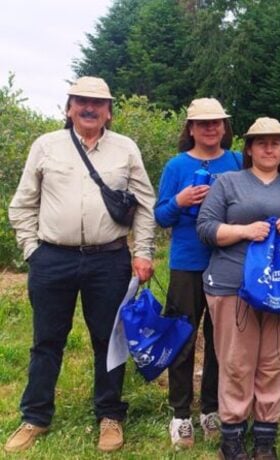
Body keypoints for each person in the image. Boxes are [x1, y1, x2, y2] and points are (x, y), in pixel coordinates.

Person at [5, 76, 155, 453]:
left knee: (108, 341)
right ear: (68, 106)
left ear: (109, 111)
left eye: (98, 103)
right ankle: (35, 416)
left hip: (109, 259)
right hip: (52, 258)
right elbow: (22, 204)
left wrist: (144, 252)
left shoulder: (126, 149)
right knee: (47, 341)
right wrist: (32, 251)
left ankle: (109, 415)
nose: (89, 108)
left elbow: (145, 204)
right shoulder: (46, 146)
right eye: (81, 101)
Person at [197, 117, 280, 460]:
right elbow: (206, 228)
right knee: (237, 361)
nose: (269, 148)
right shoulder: (228, 182)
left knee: (276, 362)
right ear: (249, 148)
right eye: (261, 142)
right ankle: (232, 435)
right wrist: (243, 231)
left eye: (276, 143)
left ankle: (265, 437)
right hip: (232, 284)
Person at [154, 98, 241, 448]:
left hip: (228, 261)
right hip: (187, 262)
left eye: (216, 122)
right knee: (183, 338)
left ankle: (212, 409)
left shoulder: (237, 162)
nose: (210, 128)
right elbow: (161, 216)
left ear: (224, 127)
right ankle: (180, 414)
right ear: (190, 128)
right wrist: (181, 201)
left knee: (222, 341)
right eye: (202, 123)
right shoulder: (177, 166)